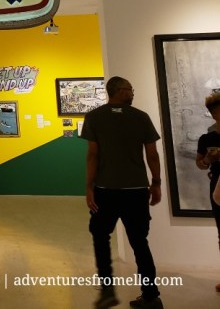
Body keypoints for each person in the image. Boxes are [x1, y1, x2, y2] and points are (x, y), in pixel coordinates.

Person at [80, 76, 163, 309]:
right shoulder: (141, 117)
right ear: (118, 91)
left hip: (105, 191)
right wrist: (156, 183)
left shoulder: (94, 117)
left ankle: (107, 291)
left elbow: (92, 155)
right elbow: (152, 155)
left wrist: (89, 188)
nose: (132, 93)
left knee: (100, 237)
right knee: (139, 242)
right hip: (136, 192)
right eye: (130, 89)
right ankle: (151, 297)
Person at [195, 91, 220, 292]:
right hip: (218, 187)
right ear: (213, 114)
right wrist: (208, 160)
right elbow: (200, 164)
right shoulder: (206, 139)